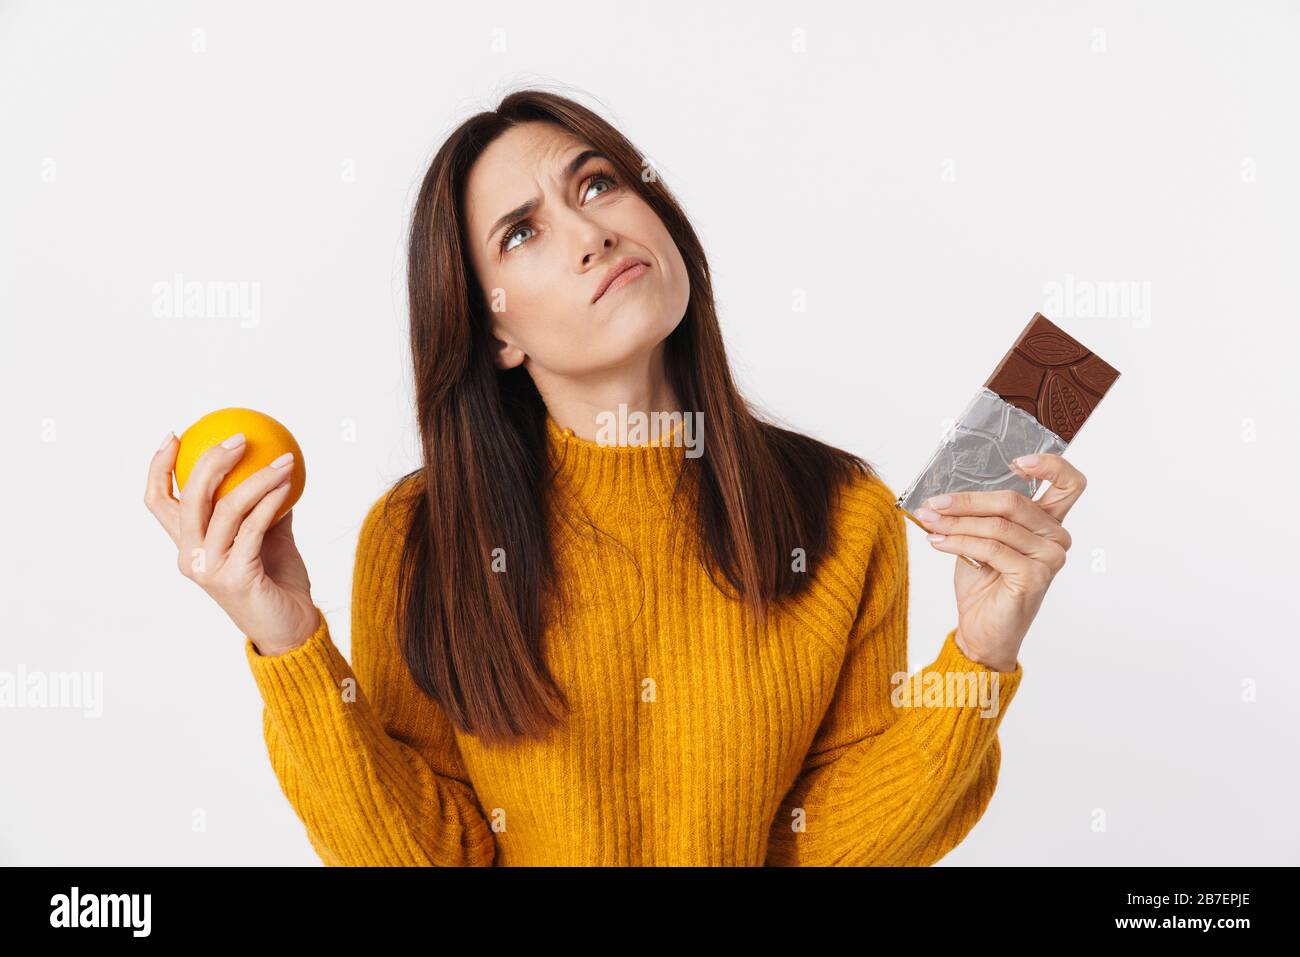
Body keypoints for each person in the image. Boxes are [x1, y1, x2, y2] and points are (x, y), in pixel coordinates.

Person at [143, 89, 1087, 866]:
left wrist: (981, 655)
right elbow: (431, 857)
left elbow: (825, 851)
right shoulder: (421, 533)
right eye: (521, 234)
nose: (588, 232)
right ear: (497, 332)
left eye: (595, 184)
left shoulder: (842, 510)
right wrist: (288, 641)